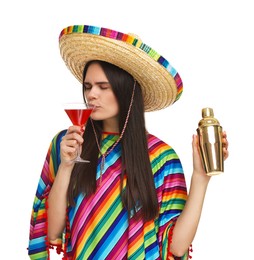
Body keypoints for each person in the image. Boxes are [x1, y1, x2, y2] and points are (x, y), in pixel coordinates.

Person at [28, 25, 229, 260]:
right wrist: (65, 166)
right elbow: (53, 233)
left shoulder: (161, 157)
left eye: (103, 87)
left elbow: (175, 247)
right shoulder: (67, 143)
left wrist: (201, 178)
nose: (92, 95)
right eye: (88, 86)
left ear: (128, 91)